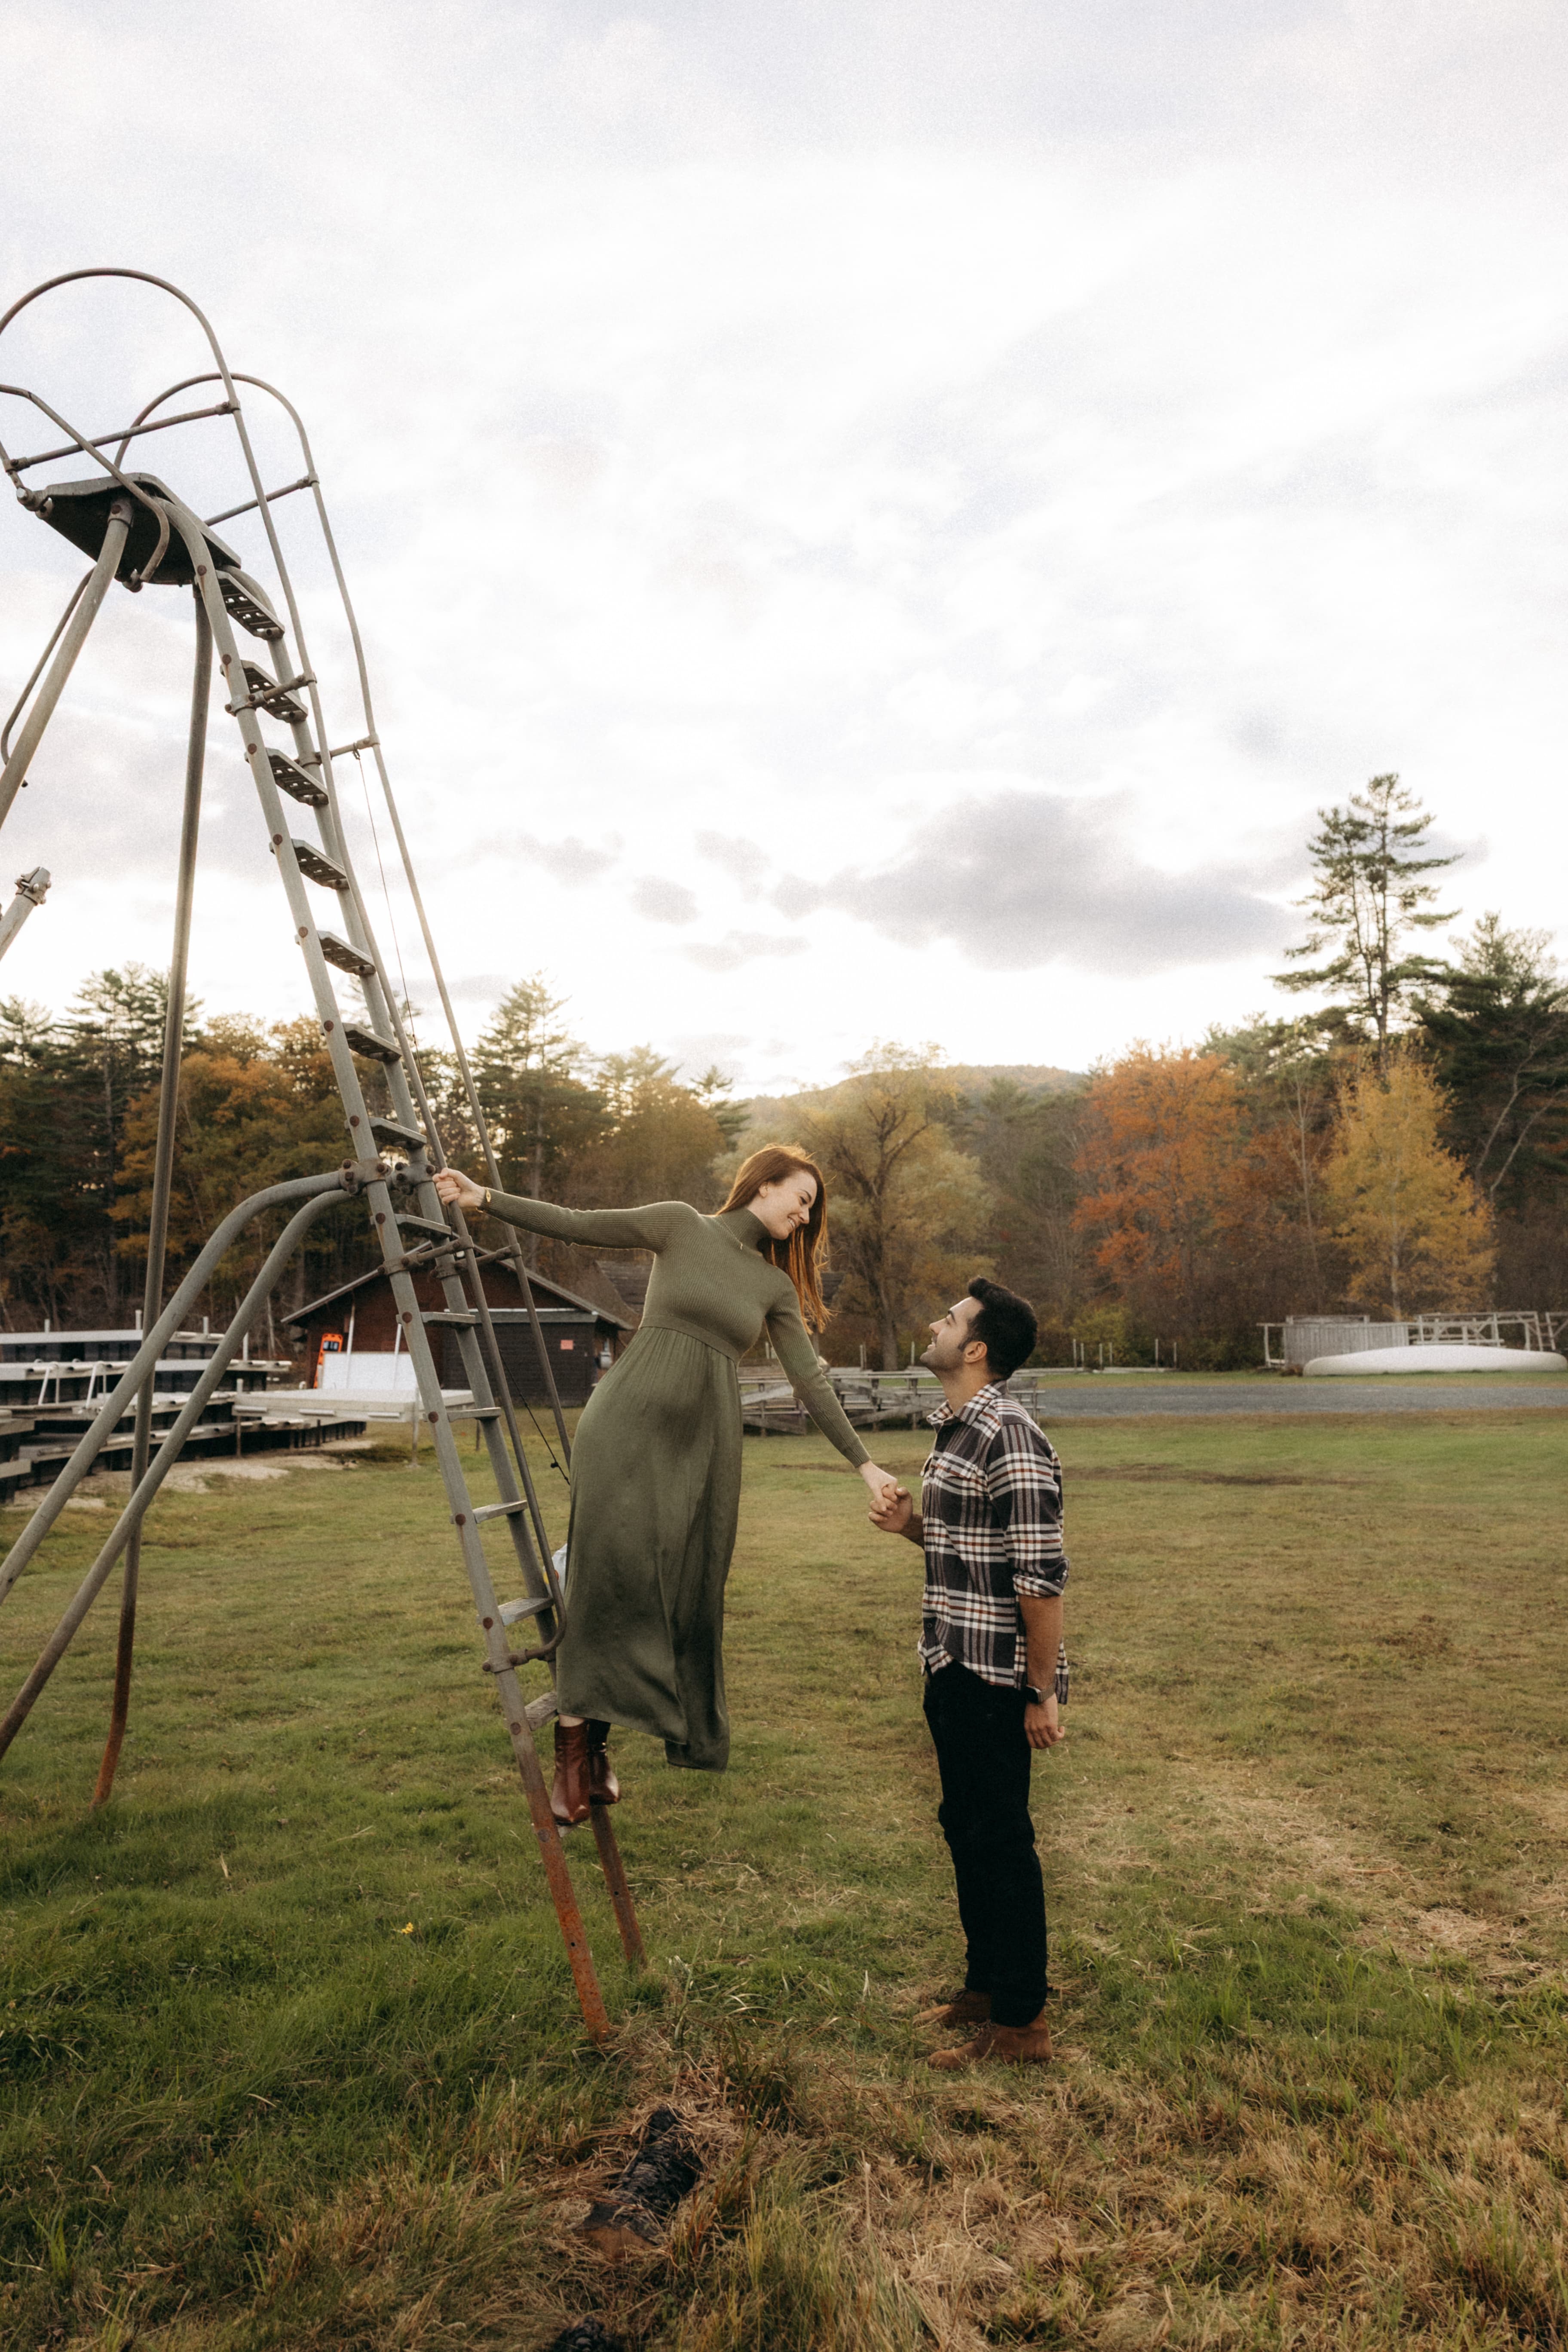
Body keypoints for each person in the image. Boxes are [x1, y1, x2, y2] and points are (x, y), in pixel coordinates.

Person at [434, 1146, 898, 1824]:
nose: (802, 1220)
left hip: (701, 1448)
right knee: (611, 1573)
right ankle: (575, 1753)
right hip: (625, 1423)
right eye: (799, 1202)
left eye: (809, 1213)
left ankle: (597, 1746)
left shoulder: (772, 1289)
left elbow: (810, 1379)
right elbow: (575, 1221)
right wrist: (486, 1201)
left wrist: (866, 1465)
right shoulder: (681, 1226)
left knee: (676, 1584)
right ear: (764, 1185)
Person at [869, 1277, 1067, 2070]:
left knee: (1001, 1841)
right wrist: (910, 1526)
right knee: (966, 1829)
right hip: (948, 1659)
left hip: (995, 1679)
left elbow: (1040, 1579)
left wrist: (1042, 1692)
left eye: (949, 1320)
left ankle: (1022, 2024)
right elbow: (969, 1551)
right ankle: (985, 1988)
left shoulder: (1009, 1437)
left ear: (977, 1348)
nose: (935, 1324)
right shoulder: (956, 1430)